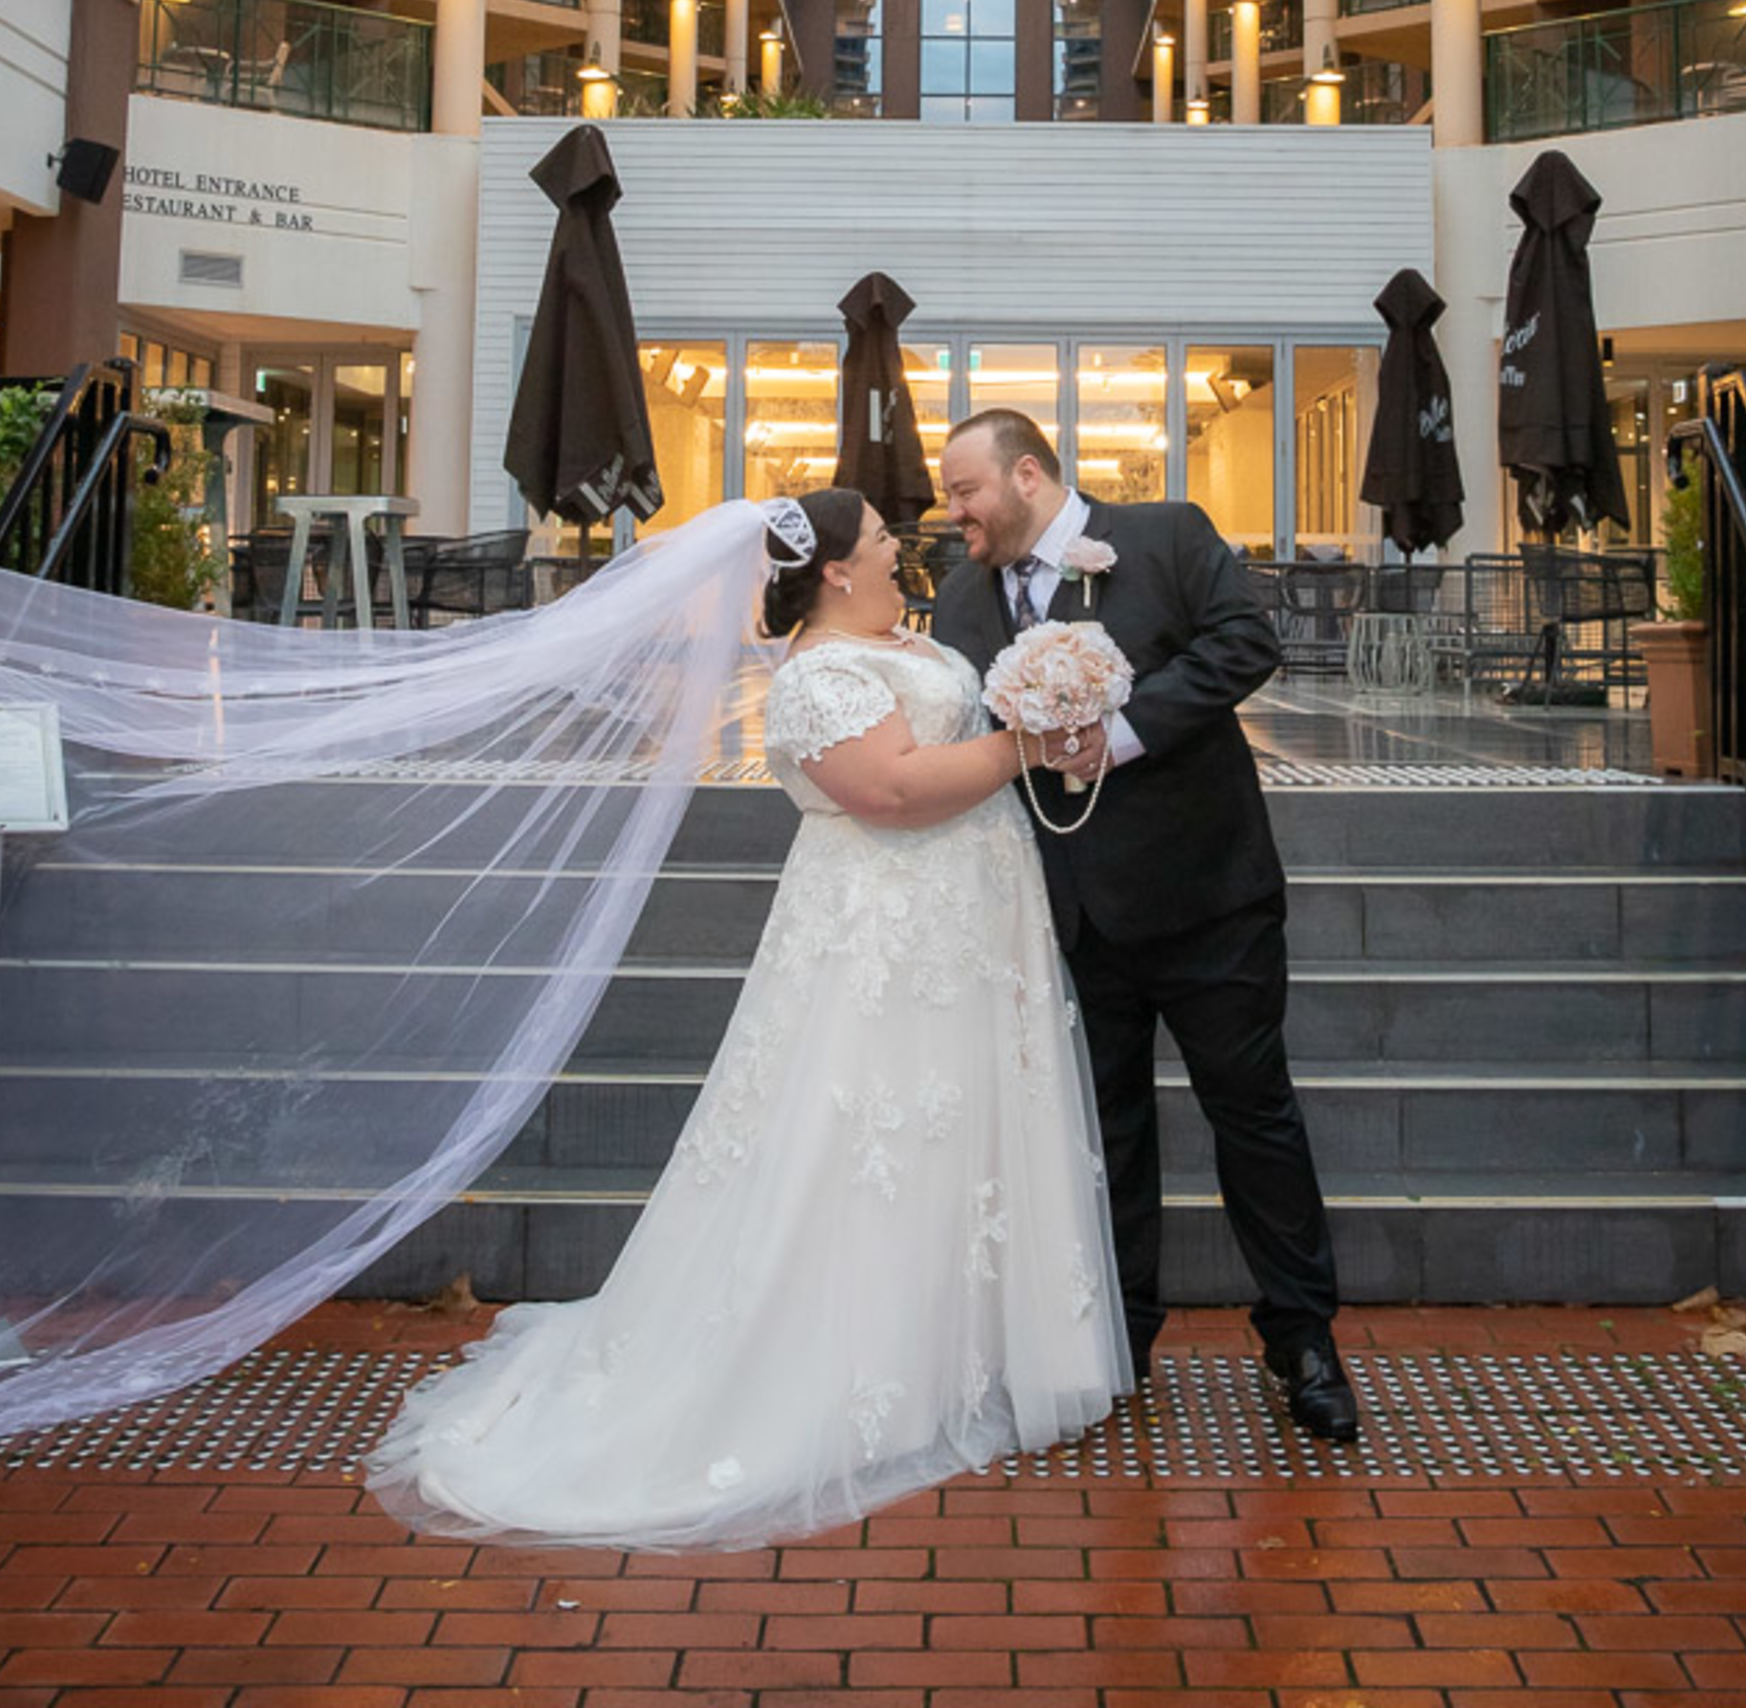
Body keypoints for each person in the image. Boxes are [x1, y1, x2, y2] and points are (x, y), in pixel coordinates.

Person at [366, 487, 1129, 1551]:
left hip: (972, 920)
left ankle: (967, 1351)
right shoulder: (817, 675)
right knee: (868, 1136)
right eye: (876, 542)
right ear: (830, 570)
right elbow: (894, 790)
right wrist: (1030, 746)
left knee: (955, 1128)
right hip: (885, 936)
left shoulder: (906, 640)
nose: (896, 552)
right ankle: (866, 1374)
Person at [933, 409, 1357, 1443]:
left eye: (964, 492)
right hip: (1068, 914)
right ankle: (1117, 1339)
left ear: (1026, 474)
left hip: (1210, 898)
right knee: (1104, 1133)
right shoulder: (956, 600)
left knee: (1253, 1119)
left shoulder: (1165, 536)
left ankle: (1301, 1338)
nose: (953, 516)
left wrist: (1118, 734)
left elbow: (1246, 642)